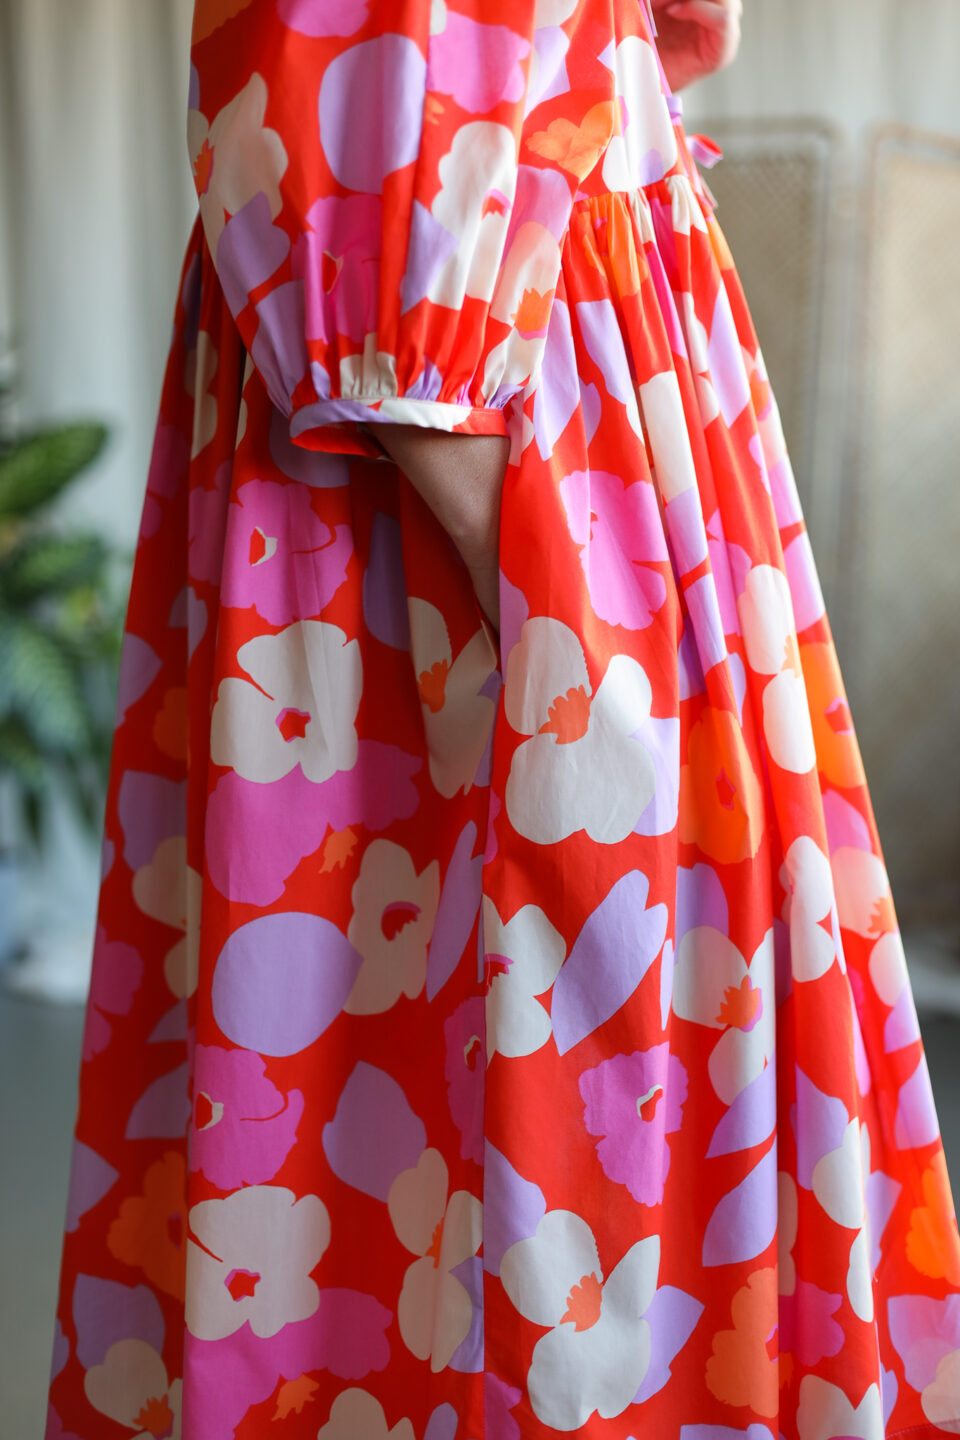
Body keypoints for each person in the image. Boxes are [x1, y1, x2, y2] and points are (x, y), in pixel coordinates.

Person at [45, 1, 960, 1436]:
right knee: (515, 1137)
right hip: (486, 425)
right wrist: (517, 546)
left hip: (537, 367)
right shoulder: (447, 383)